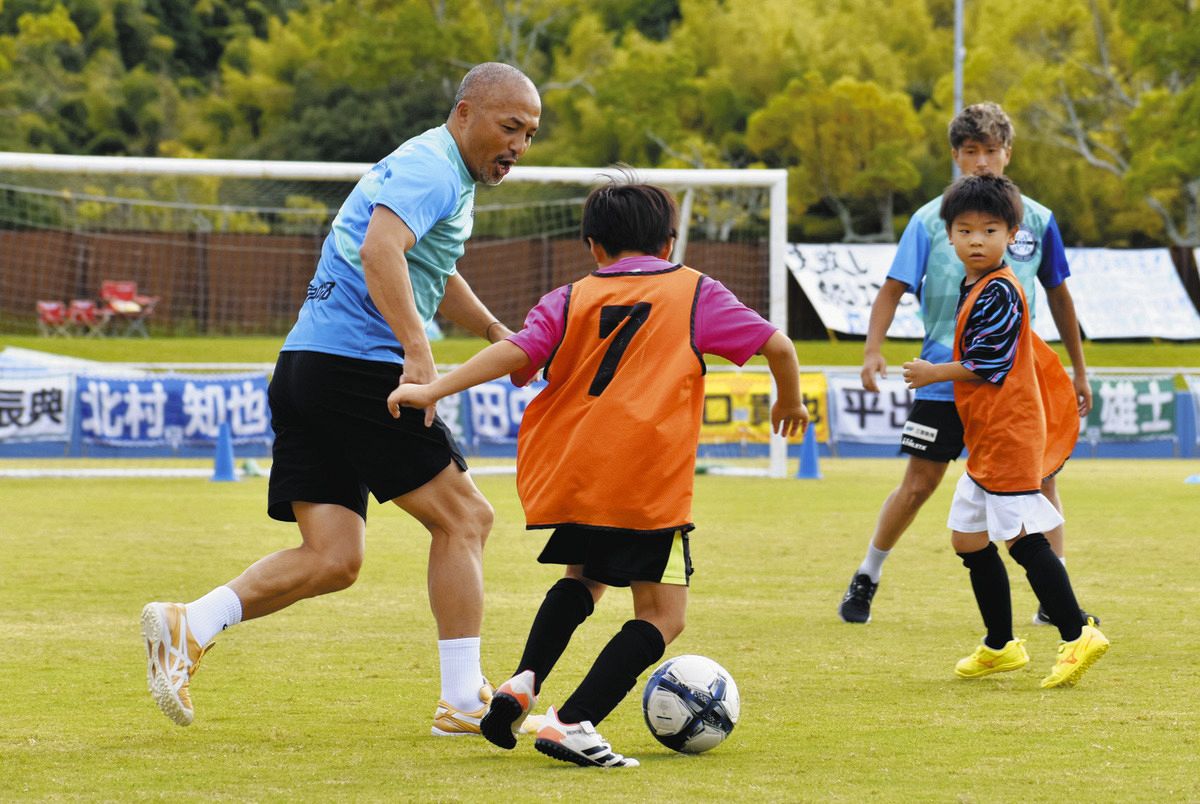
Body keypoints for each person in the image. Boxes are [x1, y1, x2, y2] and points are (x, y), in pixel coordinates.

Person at [141, 62, 542, 731]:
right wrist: (418, 351)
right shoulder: (434, 169)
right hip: (358, 368)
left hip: (306, 365)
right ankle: (464, 698)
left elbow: (428, 272)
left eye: (530, 134)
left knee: (333, 557)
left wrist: (497, 329)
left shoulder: (439, 172)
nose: (519, 147)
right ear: (466, 113)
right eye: (510, 127)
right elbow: (381, 254)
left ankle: (191, 623)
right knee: (466, 519)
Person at [387, 180, 809, 766]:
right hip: (646, 481)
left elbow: (516, 352)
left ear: (593, 245)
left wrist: (433, 386)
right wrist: (788, 403)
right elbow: (780, 347)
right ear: (669, 241)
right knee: (663, 616)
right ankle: (573, 721)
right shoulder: (694, 292)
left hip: (578, 471)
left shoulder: (569, 296)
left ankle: (521, 683)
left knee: (582, 580)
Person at [839, 101, 1097, 626]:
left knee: (1042, 482)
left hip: (1015, 387)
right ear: (956, 156)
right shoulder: (930, 220)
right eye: (971, 151)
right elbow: (892, 289)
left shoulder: (1037, 221)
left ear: (1008, 153)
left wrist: (1079, 369)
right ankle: (868, 574)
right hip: (942, 381)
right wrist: (872, 350)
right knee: (918, 485)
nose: (982, 162)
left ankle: (1055, 600)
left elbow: (1060, 296)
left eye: (992, 151)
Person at [902, 174, 1108, 687]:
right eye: (966, 229)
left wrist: (933, 373)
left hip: (1009, 434)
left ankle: (1077, 631)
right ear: (948, 235)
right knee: (968, 538)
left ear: (1012, 235)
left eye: (990, 230)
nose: (977, 240)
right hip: (987, 435)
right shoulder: (974, 285)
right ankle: (1001, 645)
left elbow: (988, 364)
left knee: (1022, 539)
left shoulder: (1001, 289)